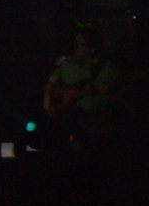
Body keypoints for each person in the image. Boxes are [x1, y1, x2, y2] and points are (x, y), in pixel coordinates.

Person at [41, 25, 119, 169]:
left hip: (94, 120)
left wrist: (79, 95)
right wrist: (47, 98)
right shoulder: (69, 65)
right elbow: (50, 83)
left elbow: (106, 94)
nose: (76, 48)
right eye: (76, 43)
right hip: (71, 118)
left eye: (81, 44)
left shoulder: (107, 69)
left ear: (92, 48)